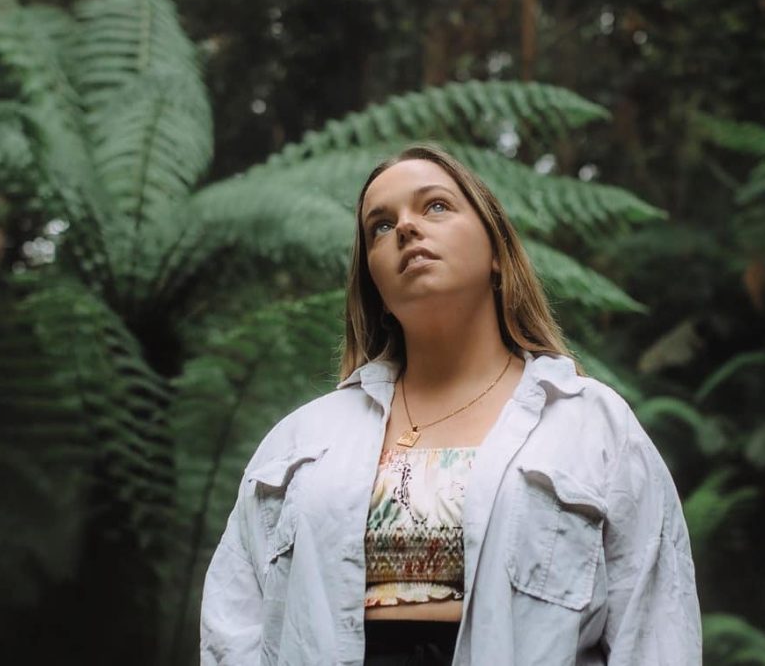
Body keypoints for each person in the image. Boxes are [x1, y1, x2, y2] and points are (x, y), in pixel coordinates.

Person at [200, 143, 701, 665]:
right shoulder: (302, 442)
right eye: (381, 226)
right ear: (373, 281)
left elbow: (657, 628)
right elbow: (233, 624)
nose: (407, 229)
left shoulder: (591, 425)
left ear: (496, 254)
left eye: (435, 206)